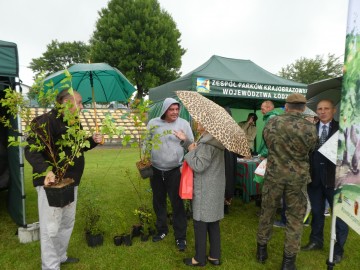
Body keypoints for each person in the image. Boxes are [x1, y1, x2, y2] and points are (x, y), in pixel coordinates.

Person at [24, 89, 103, 270]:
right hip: (51, 184)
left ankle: (61, 256)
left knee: (67, 222)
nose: (82, 107)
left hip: (70, 182)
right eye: (80, 102)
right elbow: (31, 150)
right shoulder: (44, 121)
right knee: (51, 227)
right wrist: (46, 171)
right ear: (66, 103)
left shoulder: (74, 123)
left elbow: (78, 148)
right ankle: (50, 266)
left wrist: (92, 140)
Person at [256, 93, 317, 270]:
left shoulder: (272, 122)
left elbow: (267, 143)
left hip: (274, 175)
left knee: (267, 212)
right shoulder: (309, 127)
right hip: (297, 179)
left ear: (286, 106)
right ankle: (288, 262)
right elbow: (311, 148)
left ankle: (261, 251)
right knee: (295, 218)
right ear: (304, 107)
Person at [301, 99, 349, 264]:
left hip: (335, 180)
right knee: (316, 211)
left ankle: (337, 250)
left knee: (340, 216)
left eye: (326, 108)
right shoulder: (311, 129)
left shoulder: (343, 130)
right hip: (314, 179)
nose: (322, 111)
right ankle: (316, 241)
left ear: (333, 110)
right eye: (319, 109)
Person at [146, 97, 194, 251]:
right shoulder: (154, 123)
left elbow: (192, 146)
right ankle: (162, 230)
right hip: (156, 170)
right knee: (158, 201)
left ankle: (180, 237)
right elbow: (147, 143)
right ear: (165, 110)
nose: (175, 112)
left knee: (177, 204)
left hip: (175, 170)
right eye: (171, 109)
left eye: (177, 109)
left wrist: (184, 139)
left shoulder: (183, 124)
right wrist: (145, 159)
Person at [181, 122, 225, 267]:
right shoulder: (214, 140)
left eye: (199, 121)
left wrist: (190, 150)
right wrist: (192, 145)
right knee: (213, 222)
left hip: (205, 188)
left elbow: (199, 166)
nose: (196, 122)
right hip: (215, 187)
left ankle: (199, 258)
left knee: (200, 223)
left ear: (207, 125)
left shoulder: (207, 143)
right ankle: (214, 256)